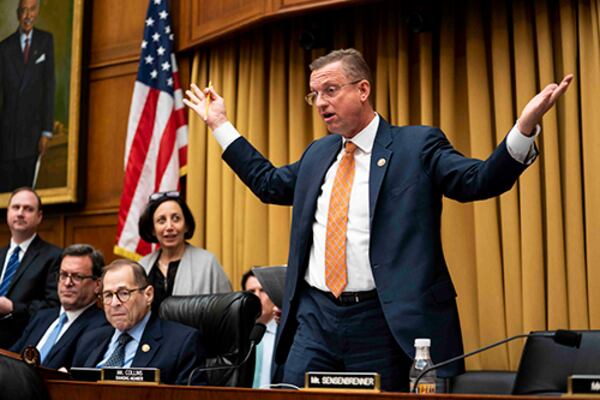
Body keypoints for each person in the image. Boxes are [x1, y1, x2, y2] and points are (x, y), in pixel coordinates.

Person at [184, 48, 572, 391]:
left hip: (383, 320)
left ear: (363, 90)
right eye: (314, 94)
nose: (320, 102)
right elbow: (268, 184)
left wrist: (523, 130)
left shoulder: (416, 145)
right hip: (316, 318)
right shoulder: (318, 154)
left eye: (330, 90)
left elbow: (478, 180)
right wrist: (220, 124)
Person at [71, 259, 206, 385]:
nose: (114, 303)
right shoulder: (89, 340)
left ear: (148, 295)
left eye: (123, 293)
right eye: (108, 295)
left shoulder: (182, 343)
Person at [10, 244, 107, 369]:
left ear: (97, 285)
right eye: (63, 275)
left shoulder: (101, 326)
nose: (67, 283)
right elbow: (11, 356)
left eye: (77, 277)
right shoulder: (42, 317)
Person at [137, 191, 231, 313]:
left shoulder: (207, 264)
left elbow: (227, 313)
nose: (169, 227)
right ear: (152, 229)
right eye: (161, 220)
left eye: (176, 219)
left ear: (186, 225)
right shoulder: (142, 266)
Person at [0, 0, 55, 192]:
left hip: (33, 133)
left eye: (31, 10)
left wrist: (46, 131)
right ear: (17, 14)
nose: (27, 16)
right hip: (8, 136)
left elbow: (49, 87)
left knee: (26, 191)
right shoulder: (4, 48)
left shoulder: (45, 41)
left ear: (37, 12)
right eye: (23, 11)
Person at [0, 187, 61, 348]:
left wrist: (13, 308)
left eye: (28, 209)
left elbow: (53, 307)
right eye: (16, 207)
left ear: (39, 216)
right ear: (8, 212)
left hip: (21, 345)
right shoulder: (0, 254)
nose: (20, 213)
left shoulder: (54, 257)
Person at [242, 269, 278, 388]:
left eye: (263, 290)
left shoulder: (285, 335)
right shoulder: (236, 333)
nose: (257, 296)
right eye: (251, 291)